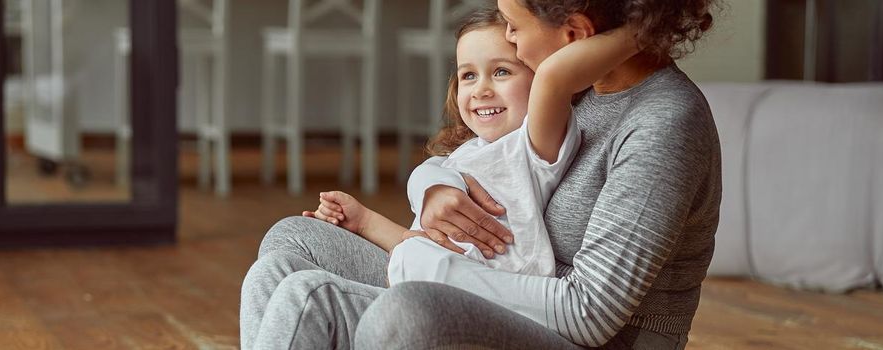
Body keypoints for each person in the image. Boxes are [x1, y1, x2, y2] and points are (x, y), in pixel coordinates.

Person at [241, 0, 721, 347]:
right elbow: (480, 157)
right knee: (290, 248)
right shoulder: (584, 85)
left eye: (513, 26)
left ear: (574, 34)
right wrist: (432, 184)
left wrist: (432, 267)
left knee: (374, 308)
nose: (507, 38)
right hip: (495, 285)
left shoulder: (660, 122)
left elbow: (589, 316)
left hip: (590, 337)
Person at [302, 22, 638, 283]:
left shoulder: (535, 146)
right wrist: (364, 221)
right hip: (419, 285)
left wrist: (643, 31)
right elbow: (424, 243)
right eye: (468, 76)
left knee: (308, 291)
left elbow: (555, 78)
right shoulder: (464, 157)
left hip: (490, 301)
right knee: (295, 256)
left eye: (502, 71)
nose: (482, 89)